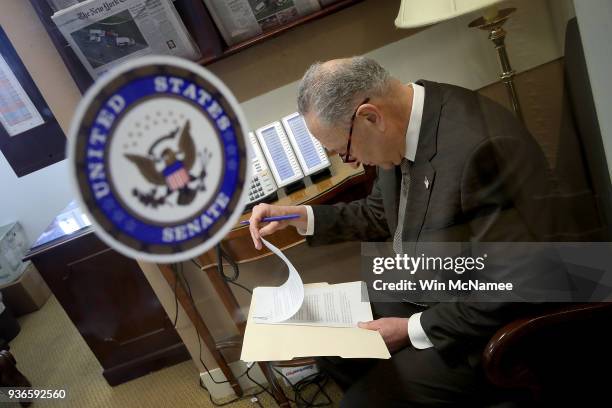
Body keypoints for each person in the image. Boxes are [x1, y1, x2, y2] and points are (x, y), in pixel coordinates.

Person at [248, 57, 556, 406]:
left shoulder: (481, 149)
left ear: (369, 116)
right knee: (331, 345)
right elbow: (381, 211)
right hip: (433, 285)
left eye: (345, 151)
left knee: (360, 403)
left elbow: (512, 288)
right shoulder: (404, 124)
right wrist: (301, 216)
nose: (352, 162)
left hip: (488, 325)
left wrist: (412, 330)